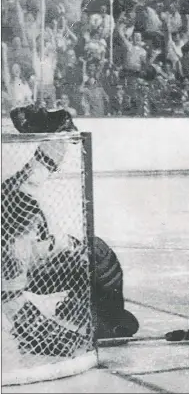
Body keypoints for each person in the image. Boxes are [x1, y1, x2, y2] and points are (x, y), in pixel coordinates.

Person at [2, 105, 139, 357]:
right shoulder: (9, 242)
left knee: (95, 251)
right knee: (98, 257)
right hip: (36, 271)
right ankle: (95, 314)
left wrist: (57, 126)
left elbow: (43, 164)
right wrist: (39, 333)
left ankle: (82, 308)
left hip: (44, 262)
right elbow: (9, 296)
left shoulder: (11, 193)